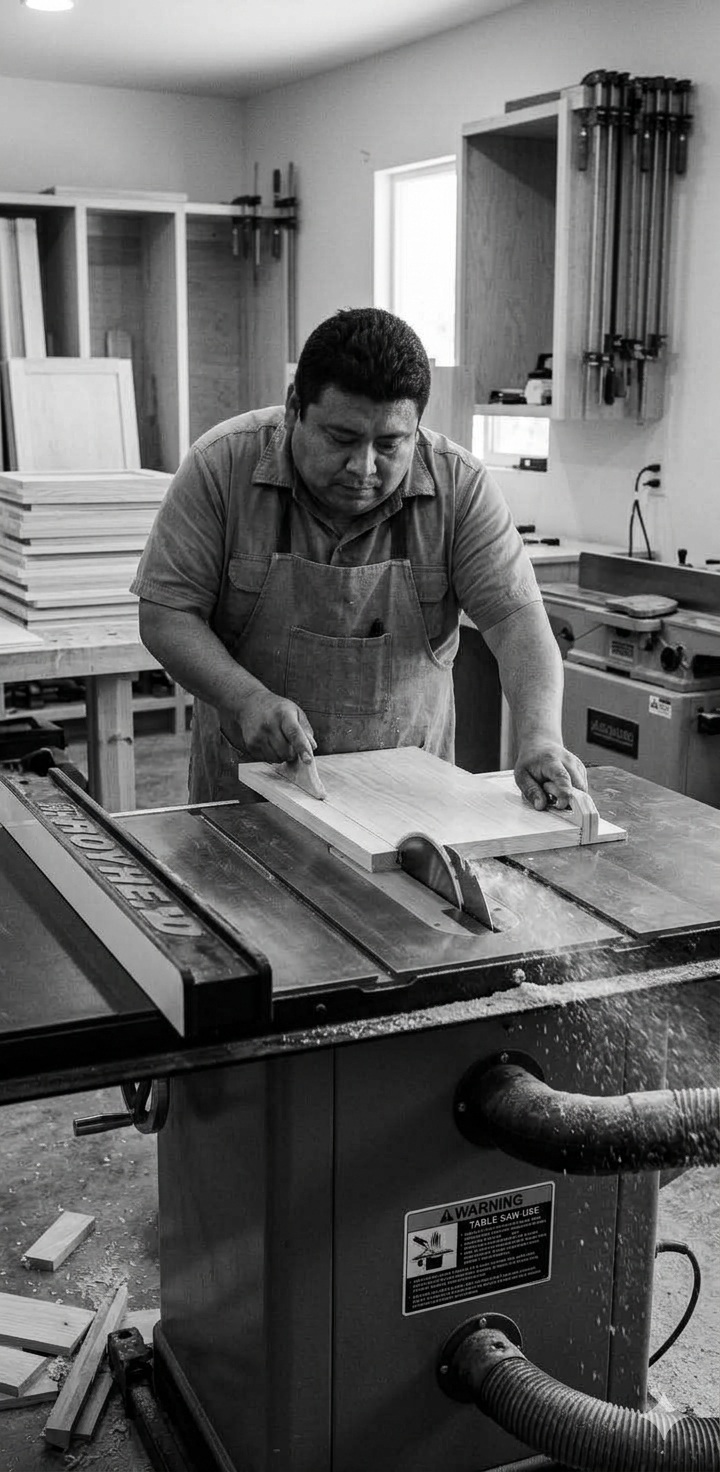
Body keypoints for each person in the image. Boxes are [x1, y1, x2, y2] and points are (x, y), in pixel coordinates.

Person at [132, 307, 587, 808]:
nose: (363, 467)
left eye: (389, 444)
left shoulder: (459, 486)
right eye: (341, 439)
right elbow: (166, 615)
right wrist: (244, 699)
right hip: (246, 794)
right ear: (294, 407)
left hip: (409, 809)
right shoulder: (222, 466)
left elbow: (518, 624)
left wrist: (540, 735)